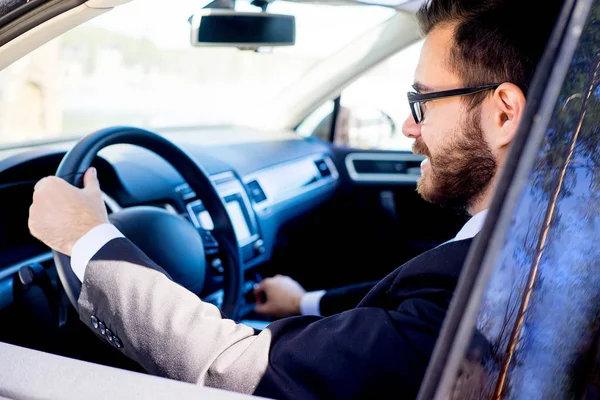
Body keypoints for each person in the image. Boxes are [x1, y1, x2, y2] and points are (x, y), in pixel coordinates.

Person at [27, 0, 564, 398]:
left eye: (421, 101)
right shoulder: (547, 247)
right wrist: (304, 302)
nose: (407, 125)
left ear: (503, 114)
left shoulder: (480, 291)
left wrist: (87, 237)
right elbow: (399, 321)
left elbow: (232, 367)